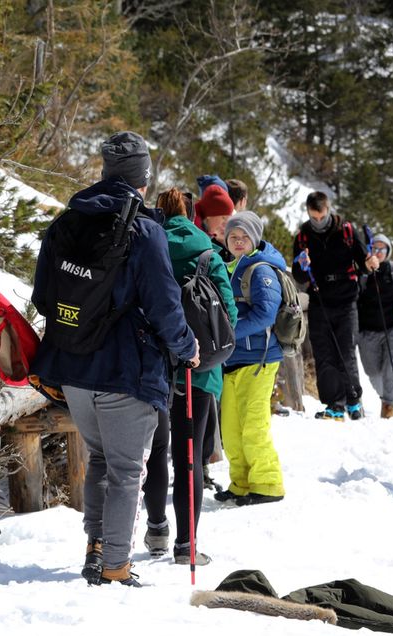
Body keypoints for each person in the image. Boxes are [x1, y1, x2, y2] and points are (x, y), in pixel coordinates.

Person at [31, 132, 199, 587]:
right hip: (126, 369)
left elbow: (43, 296)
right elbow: (165, 306)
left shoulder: (67, 222)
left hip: (74, 369)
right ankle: (116, 566)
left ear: (105, 171)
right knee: (127, 470)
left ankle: (98, 546)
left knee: (102, 459)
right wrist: (187, 347)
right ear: (143, 179)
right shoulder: (144, 230)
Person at [141, 188, 238, 565]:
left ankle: (157, 529)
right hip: (199, 371)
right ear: (190, 212)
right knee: (189, 457)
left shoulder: (150, 246)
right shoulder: (208, 251)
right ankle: (187, 545)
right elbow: (228, 313)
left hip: (154, 368)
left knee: (155, 453)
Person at [218, 212, 287, 505]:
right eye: (233, 236)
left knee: (254, 424)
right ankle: (242, 482)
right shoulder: (230, 266)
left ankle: (268, 483)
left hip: (260, 358)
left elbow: (266, 313)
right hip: (234, 360)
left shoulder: (260, 270)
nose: (237, 240)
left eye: (244, 236)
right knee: (231, 428)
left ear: (254, 238)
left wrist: (228, 332)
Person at [292, 191, 378, 420]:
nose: (318, 222)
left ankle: (353, 400)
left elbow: (363, 263)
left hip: (347, 299)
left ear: (328, 210)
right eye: (314, 217)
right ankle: (334, 403)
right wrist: (303, 264)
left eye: (322, 217)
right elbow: (299, 276)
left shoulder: (347, 231)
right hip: (320, 300)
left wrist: (370, 263)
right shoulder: (303, 237)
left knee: (347, 350)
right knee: (324, 352)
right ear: (309, 213)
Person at [356, 234, 393, 418]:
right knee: (373, 372)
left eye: (383, 249)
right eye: (375, 248)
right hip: (367, 331)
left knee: (391, 366)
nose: (379, 252)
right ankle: (384, 396)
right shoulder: (363, 274)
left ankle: (388, 405)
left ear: (388, 251)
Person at [193, 183, 236, 259]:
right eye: (223, 218)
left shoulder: (203, 233)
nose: (225, 224)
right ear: (210, 216)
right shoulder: (193, 236)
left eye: (227, 219)